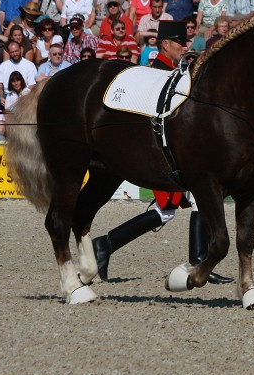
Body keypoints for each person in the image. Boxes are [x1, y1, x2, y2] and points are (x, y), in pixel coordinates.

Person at [93, 20, 233, 285]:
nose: (184, 46)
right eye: (179, 42)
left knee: (173, 209)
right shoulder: (158, 72)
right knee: (173, 208)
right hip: (162, 155)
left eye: (185, 41)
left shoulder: (173, 70)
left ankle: (105, 245)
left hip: (173, 154)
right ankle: (197, 260)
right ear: (165, 44)